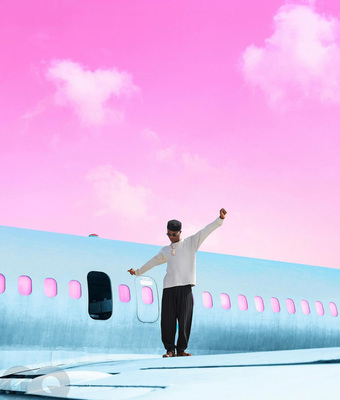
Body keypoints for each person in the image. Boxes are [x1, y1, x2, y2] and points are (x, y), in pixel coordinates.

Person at [128, 208, 227, 358]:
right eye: (168, 234)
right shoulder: (165, 250)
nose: (171, 237)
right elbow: (153, 262)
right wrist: (138, 271)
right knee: (167, 321)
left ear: (180, 232)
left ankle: (181, 350)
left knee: (185, 320)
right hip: (169, 288)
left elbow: (206, 230)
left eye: (174, 234)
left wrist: (220, 219)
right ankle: (169, 350)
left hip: (186, 287)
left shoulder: (191, 243)